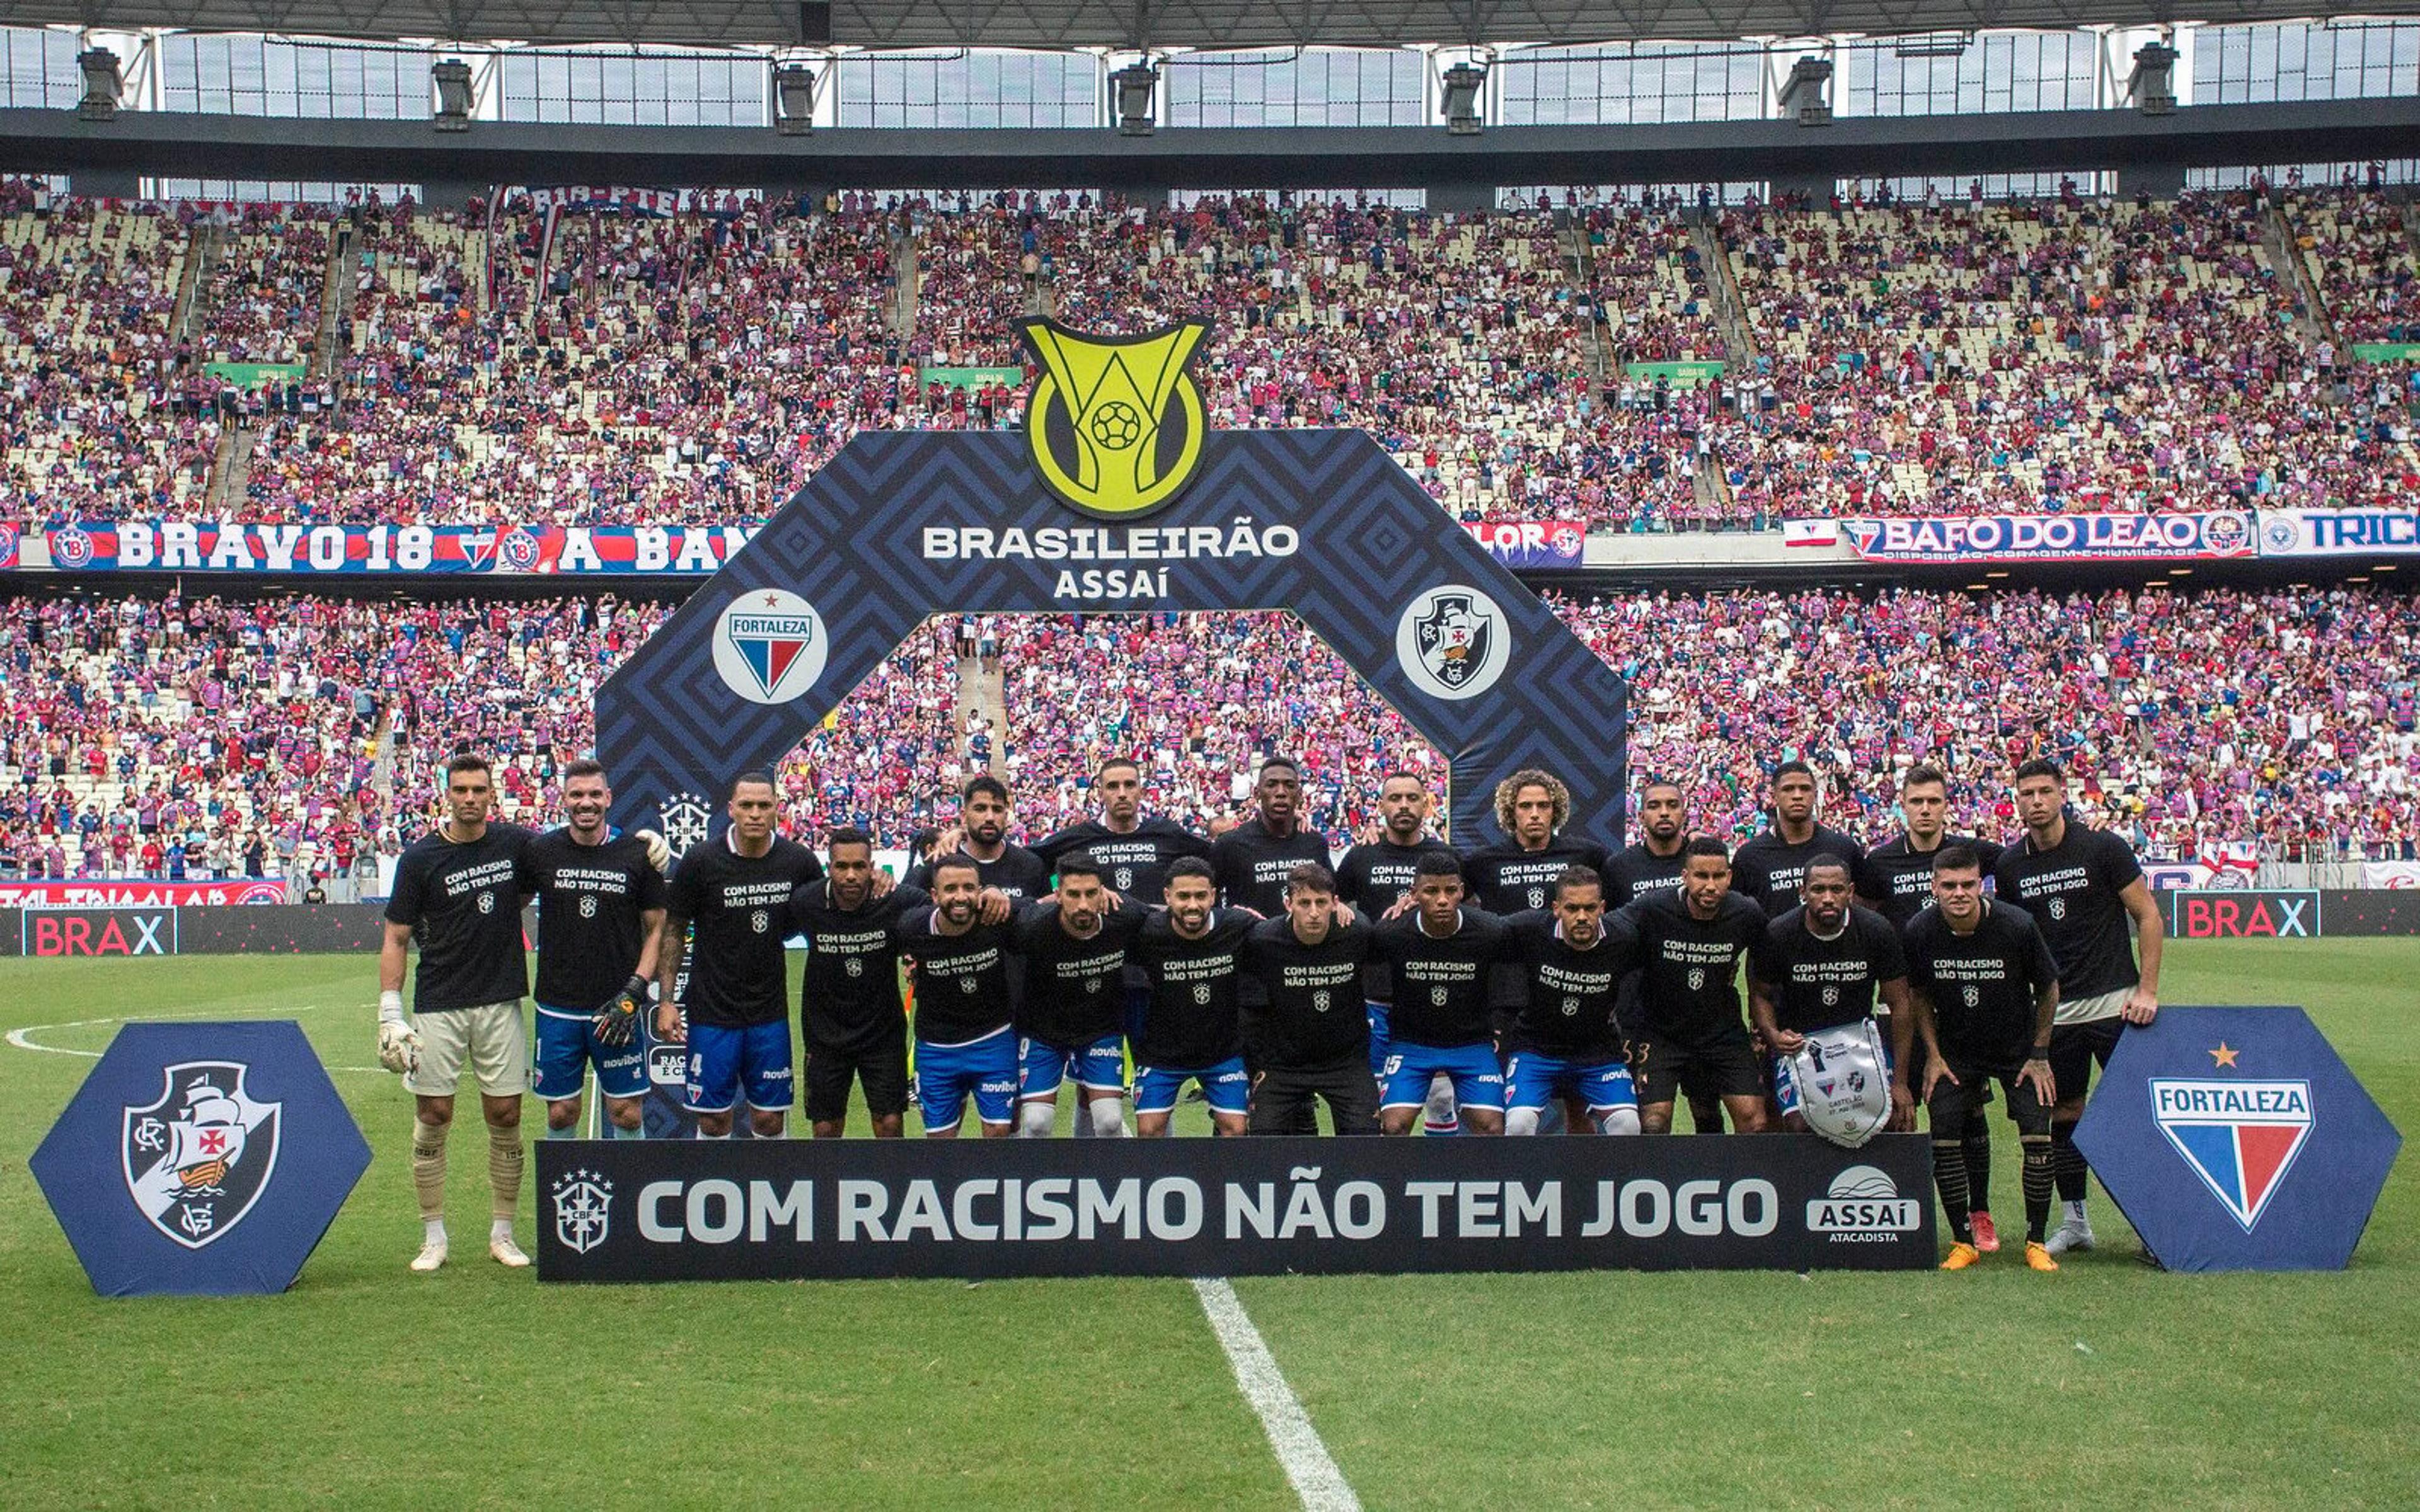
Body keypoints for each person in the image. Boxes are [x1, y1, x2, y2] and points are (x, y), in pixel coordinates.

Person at [1995, 757, 2164, 1256]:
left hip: (2118, 1007)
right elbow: (2018, 944)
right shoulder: (2010, 866)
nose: (2037, 801)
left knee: (2139, 1115)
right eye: (2027, 794)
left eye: (2045, 791)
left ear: (2063, 792)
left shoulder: (2102, 848)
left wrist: (2148, 989)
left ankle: (2154, 1226)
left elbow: (2148, 916)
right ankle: (2076, 1223)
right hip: (2057, 1015)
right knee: (2065, 1112)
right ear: (2017, 800)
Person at [376, 752, 536, 1273]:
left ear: (493, 794)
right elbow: (397, 935)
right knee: (434, 1116)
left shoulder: (516, 845)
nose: (470, 798)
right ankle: (434, 1235)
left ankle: (503, 1232)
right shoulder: (420, 860)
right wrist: (389, 1012)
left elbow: (571, 853)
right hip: (439, 1003)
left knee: (506, 1116)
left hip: (500, 1001)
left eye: (479, 790)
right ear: (447, 794)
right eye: (461, 790)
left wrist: (632, 844)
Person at [1860, 763, 2008, 1217]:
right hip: (1900, 1007)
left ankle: (1978, 1214)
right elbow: (1865, 929)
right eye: (1916, 802)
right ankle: (1902, 1212)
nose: (1925, 810)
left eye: (1934, 802)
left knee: (1969, 1112)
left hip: (1959, 1008)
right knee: (1896, 1109)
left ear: (1947, 805)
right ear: (1902, 806)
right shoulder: (1879, 862)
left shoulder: (1975, 854)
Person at [1904, 846, 2061, 1272]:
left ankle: (2036, 1242)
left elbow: (2048, 988)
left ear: (1981, 885)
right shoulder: (1920, 929)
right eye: (1949, 886)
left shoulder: (2016, 925)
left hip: (2017, 1052)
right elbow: (1918, 995)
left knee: (2037, 1139)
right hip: (1957, 1052)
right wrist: (1933, 1056)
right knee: (1944, 1136)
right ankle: (1963, 1241)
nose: (1959, 893)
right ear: (1934, 887)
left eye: (1968, 885)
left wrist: (2040, 1053)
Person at [655, 772, 824, 1140]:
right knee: (714, 1120)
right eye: (746, 805)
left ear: (777, 810)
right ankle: (713, 1195)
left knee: (769, 1120)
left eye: (764, 805)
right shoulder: (701, 862)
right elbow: (674, 931)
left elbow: (822, 916)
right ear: (731, 809)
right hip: (712, 1013)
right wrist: (666, 1002)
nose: (755, 814)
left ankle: (771, 1195)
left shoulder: (799, 862)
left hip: (769, 1013)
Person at [516, 759, 666, 1142]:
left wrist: (635, 992)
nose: (587, 802)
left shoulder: (637, 854)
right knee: (562, 1112)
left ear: (609, 798)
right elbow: (511, 901)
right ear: (563, 799)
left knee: (627, 1114)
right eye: (577, 794)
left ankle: (635, 1198)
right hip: (557, 1006)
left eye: (595, 794)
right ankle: (564, 1202)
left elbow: (657, 930)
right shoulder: (541, 852)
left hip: (617, 1005)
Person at [1748, 855, 1916, 1133]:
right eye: (1818, 890)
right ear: (1803, 893)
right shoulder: (1779, 933)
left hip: (1858, 1042)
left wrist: (1899, 1082)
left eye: (1837, 890)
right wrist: (1774, 1035)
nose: (1828, 898)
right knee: (1800, 1124)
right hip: (1801, 1044)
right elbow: (1760, 994)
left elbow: (1900, 1003)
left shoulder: (1876, 930)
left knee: (1895, 1119)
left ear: (1850, 892)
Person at [1335, 770, 1461, 1134]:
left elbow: (1465, 911)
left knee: (1439, 1099)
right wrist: (1339, 907)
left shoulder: (1445, 856)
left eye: (1412, 798)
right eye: (1395, 798)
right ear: (1381, 806)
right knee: (1379, 1103)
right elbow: (1331, 900)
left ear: (1426, 804)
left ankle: (1441, 1180)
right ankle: (1385, 1180)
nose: (1404, 805)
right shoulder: (1361, 857)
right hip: (1374, 995)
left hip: (1430, 994)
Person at [1616, 838, 1770, 1135]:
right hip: (1662, 1033)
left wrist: (1763, 1026)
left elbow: (1770, 960)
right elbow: (1609, 933)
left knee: (1755, 1122)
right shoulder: (1653, 907)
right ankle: (1656, 1182)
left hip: (1722, 1033)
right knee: (1653, 1123)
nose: (1710, 885)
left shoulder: (1746, 913)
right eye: (1701, 876)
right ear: (1685, 877)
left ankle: (1735, 1180)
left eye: (1718, 876)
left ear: (1729, 877)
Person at [787, 827, 927, 1139]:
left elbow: (934, 909)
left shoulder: (895, 900)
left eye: (859, 867)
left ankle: (893, 1184)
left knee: (890, 1124)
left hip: (882, 1034)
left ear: (872, 866)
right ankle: (826, 1187)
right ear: (829, 868)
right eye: (842, 867)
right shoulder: (806, 902)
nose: (851, 875)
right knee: (825, 1128)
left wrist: (917, 956)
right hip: (825, 1036)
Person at [1372, 851, 1511, 1135]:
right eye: (1431, 891)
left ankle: (1478, 1179)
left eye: (1450, 890)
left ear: (1461, 891)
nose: (1443, 900)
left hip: (1472, 1045)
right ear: (1414, 894)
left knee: (1492, 1128)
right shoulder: (1392, 933)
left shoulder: (1490, 931)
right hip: (1412, 1045)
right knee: (1393, 1127)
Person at [1013, 856, 1146, 1137]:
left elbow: (1167, 917)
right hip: (1043, 1034)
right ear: (1058, 895)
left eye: (1091, 893)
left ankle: (1101, 1176)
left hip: (1101, 1030)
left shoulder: (1125, 916)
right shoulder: (1032, 926)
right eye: (1073, 894)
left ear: (1104, 893)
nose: (1083, 904)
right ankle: (1034, 1179)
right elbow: (996, 918)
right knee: (1037, 1123)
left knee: (1109, 1122)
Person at [1244, 862, 1379, 1135]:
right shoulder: (1263, 939)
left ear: (1336, 903)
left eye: (1322, 902)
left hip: (1346, 1063)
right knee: (1262, 1138)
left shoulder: (1358, 932)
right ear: (1288, 903)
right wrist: (1256, 1063)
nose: (1314, 913)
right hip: (1283, 1065)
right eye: (1304, 903)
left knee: (1366, 1137)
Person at [1501, 866, 1638, 1135]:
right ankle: (1529, 1178)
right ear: (1556, 908)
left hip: (1598, 1053)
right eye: (1572, 908)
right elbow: (1480, 928)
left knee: (1628, 1125)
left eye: (1590, 908)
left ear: (1603, 908)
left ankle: (1604, 1178)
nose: (1582, 917)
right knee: (1519, 1125)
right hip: (1536, 1050)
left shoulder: (1624, 938)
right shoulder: (1530, 930)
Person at [898, 854, 1027, 1138]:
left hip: (993, 1041)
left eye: (969, 888)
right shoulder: (912, 927)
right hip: (936, 1048)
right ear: (934, 895)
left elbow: (1046, 908)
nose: (961, 897)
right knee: (941, 1142)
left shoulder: (997, 918)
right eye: (950, 889)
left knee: (998, 1132)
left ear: (980, 891)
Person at [1129, 856, 1258, 1136]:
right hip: (1162, 1055)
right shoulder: (1149, 931)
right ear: (1167, 897)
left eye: (1201, 896)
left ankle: (1223, 1180)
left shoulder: (1237, 925)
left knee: (1236, 1130)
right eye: (1183, 896)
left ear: (1213, 895)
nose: (1192, 905)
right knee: (1149, 1131)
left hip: (1222, 1052)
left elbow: (1280, 933)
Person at [1032, 756, 1213, 897]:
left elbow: (1218, 857)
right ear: (1100, 794)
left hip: (1157, 940)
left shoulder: (1168, 834)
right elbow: (1024, 862)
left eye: (1129, 785)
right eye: (1112, 787)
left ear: (1141, 792)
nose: (1122, 794)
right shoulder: (1076, 838)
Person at [1731, 761, 1865, 919]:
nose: (1797, 796)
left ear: (1815, 795)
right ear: (1774, 796)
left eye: (1805, 789)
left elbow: (1864, 904)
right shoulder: (1749, 856)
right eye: (1788, 789)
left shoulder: (1844, 848)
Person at [905, 774, 1050, 899]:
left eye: (997, 809)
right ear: (963, 816)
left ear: (1006, 817)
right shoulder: (939, 867)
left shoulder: (1031, 866)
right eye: (980, 809)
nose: (990, 817)